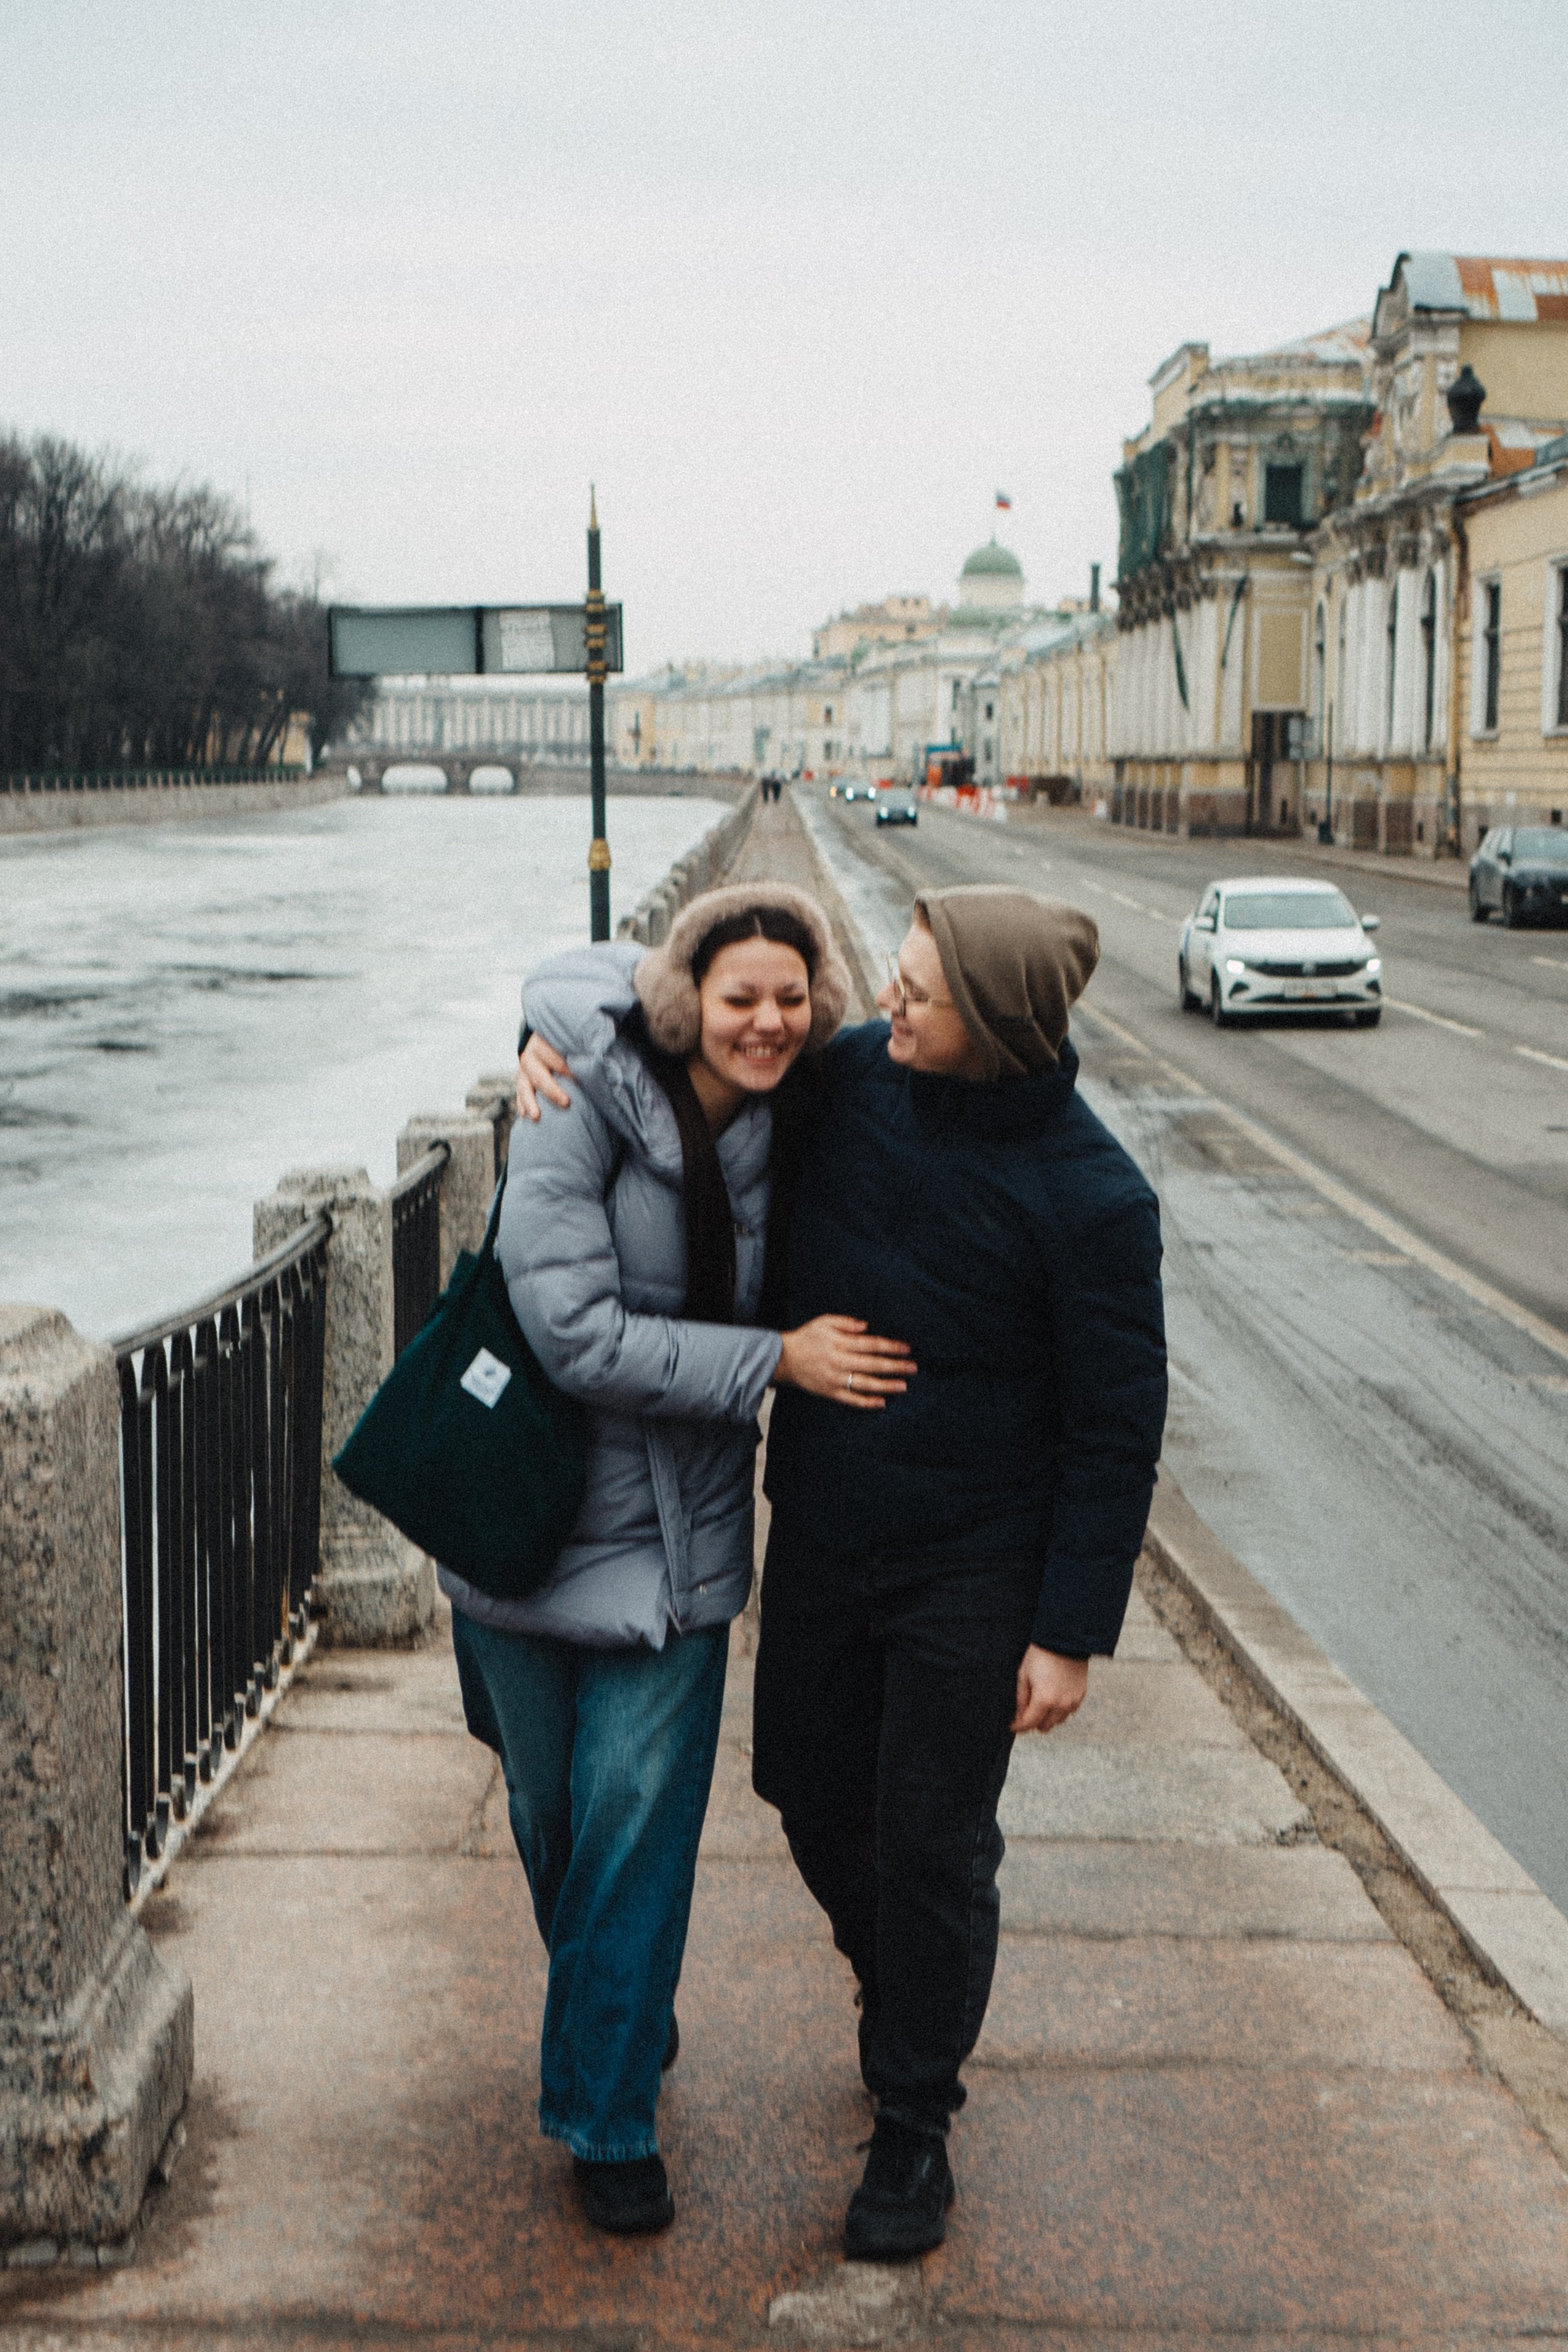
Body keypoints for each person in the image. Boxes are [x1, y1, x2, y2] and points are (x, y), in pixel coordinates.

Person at [516, 884, 1166, 2261]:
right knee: (802, 1792)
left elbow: (1116, 1429)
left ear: (986, 1022)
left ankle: (912, 2122)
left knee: (932, 1840)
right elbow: (672, 1013)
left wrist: (1067, 1631)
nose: (886, 1004)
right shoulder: (852, 1082)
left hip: (973, 1571)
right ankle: (900, 1982)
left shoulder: (1095, 1200)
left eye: (918, 991)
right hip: (822, 1533)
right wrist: (534, 1056)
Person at [449, 883, 912, 2241]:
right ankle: (620, 2026)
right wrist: (775, 1361)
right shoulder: (572, 1099)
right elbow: (572, 1334)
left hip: (679, 1546)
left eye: (791, 998)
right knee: (555, 1826)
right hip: (522, 1520)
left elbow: (961, 1073)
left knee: (634, 1829)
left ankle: (606, 2121)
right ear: (683, 1001)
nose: (765, 1023)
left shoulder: (813, 1111)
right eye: (738, 997)